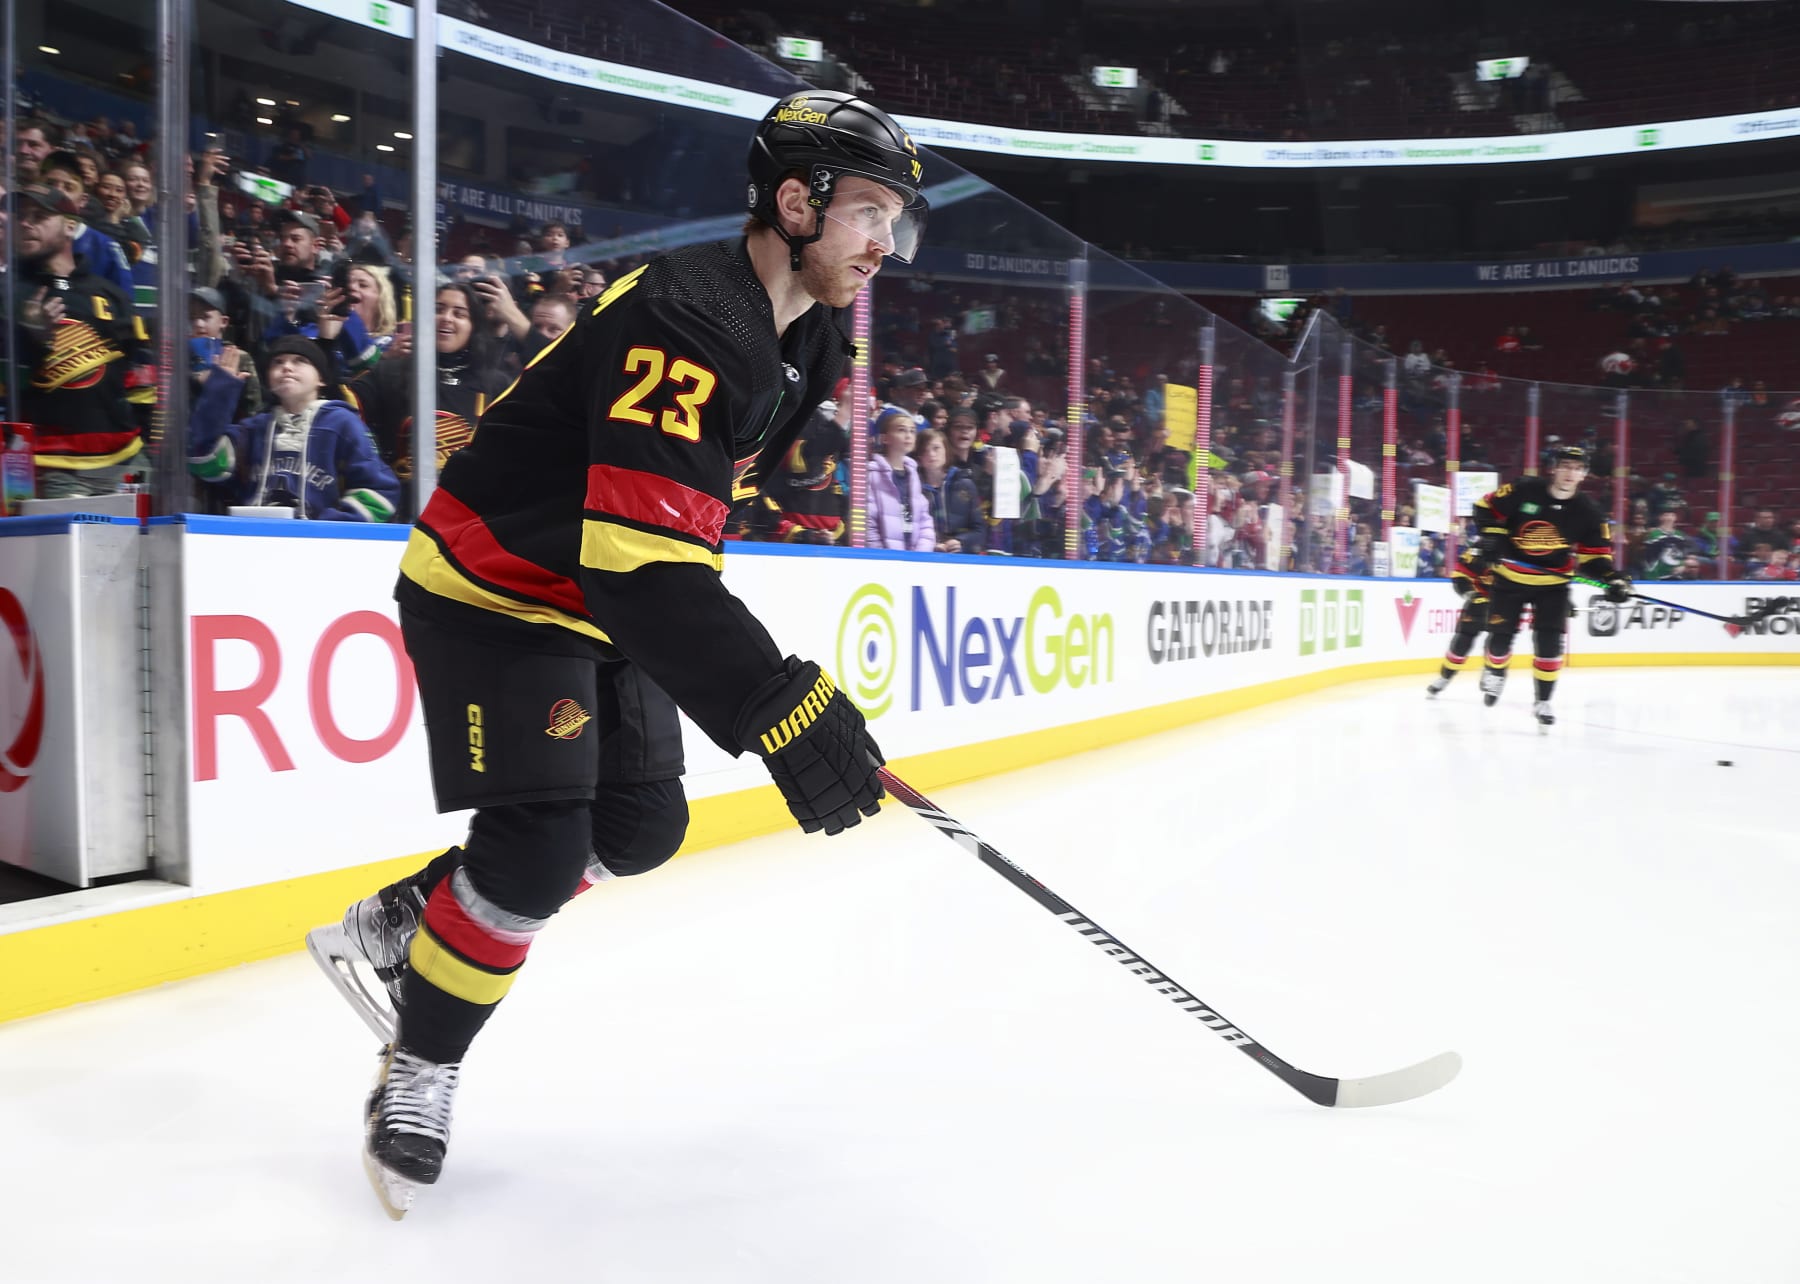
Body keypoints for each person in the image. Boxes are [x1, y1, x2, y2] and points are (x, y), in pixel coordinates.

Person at [303, 89, 925, 1217]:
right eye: (871, 213)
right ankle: (420, 1062)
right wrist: (775, 700)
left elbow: (672, 528)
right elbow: (640, 563)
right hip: (494, 586)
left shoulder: (817, 334)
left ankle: (407, 923)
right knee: (538, 853)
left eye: (898, 222)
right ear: (795, 202)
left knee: (642, 824)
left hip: (598, 588)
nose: (888, 245)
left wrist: (758, 681)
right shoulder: (686, 318)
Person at [1466, 446, 1631, 726]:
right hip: (1509, 578)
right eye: (1565, 465)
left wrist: (1612, 578)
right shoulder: (1524, 489)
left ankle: (1543, 701)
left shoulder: (1589, 512)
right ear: (1553, 468)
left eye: (1577, 468)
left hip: (1553, 585)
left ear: (1584, 474)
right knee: (1500, 639)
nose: (1570, 472)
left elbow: (1595, 557)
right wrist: (1492, 538)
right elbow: (1484, 508)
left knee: (1550, 644)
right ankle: (1495, 671)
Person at [186, 335, 400, 521]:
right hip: (254, 545)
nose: (287, 367)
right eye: (278, 362)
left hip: (320, 549)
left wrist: (332, 525)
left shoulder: (343, 423)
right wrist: (220, 391)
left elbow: (380, 492)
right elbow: (205, 462)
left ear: (321, 379)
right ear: (269, 380)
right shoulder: (254, 429)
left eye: (300, 361)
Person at [1425, 548, 1494, 697]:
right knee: (1461, 641)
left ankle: (1491, 673)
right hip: (1477, 604)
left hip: (1502, 605)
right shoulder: (1475, 551)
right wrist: (1469, 593)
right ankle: (1445, 676)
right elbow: (1459, 576)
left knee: (1497, 642)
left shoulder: (1512, 548)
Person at [866, 407, 935, 550]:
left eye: (912, 431)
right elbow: (868, 521)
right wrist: (880, 555)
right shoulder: (872, 474)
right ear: (885, 438)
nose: (908, 435)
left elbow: (925, 520)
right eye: (901, 430)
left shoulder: (914, 475)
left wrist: (922, 553)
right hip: (883, 560)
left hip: (913, 559)